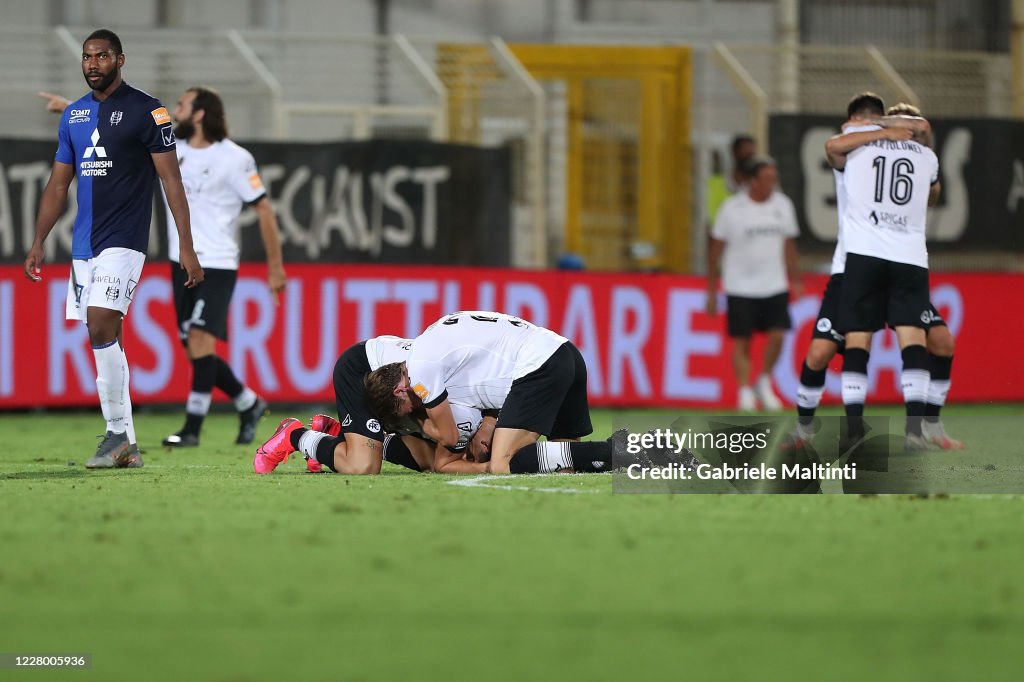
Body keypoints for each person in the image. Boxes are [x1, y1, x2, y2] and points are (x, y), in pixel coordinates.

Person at [23, 29, 203, 468]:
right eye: (87, 57)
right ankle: (127, 445)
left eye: (101, 56)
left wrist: (187, 245)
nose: (92, 64)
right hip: (83, 245)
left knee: (100, 323)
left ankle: (117, 434)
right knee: (105, 336)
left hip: (124, 241)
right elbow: (58, 184)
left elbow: (171, 181)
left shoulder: (149, 111)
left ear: (120, 60)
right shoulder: (75, 117)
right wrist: (39, 240)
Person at [795, 97, 963, 449]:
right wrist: (893, 129)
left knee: (939, 341)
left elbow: (930, 193)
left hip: (882, 260)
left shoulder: (877, 154)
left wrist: (903, 133)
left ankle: (924, 427)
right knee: (821, 353)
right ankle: (811, 431)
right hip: (852, 264)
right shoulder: (854, 150)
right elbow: (838, 142)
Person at [159, 87, 285, 448]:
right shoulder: (173, 150)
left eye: (181, 105)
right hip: (180, 261)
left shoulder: (236, 158)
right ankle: (249, 403)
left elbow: (263, 209)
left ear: (199, 114)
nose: (175, 109)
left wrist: (275, 267)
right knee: (196, 350)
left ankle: (192, 429)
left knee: (200, 341)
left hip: (217, 264)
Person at [363, 311, 617, 475]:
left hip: (538, 364)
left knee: (504, 462)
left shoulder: (420, 368)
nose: (418, 414)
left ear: (400, 390)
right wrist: (481, 458)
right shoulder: (446, 373)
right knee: (565, 465)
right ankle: (641, 449)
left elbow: (450, 437)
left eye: (409, 413)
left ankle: (622, 451)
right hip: (563, 351)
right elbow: (444, 462)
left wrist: (423, 424)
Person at [826, 94, 942, 450]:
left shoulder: (857, 150)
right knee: (913, 339)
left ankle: (855, 428)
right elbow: (931, 193)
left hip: (864, 253)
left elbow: (833, 145)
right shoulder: (928, 158)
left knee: (858, 338)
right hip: (908, 255)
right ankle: (914, 431)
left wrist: (878, 131)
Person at [254, 335, 492, 475]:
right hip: (365, 371)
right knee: (363, 466)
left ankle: (340, 438)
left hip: (403, 391)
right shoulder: (471, 394)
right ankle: (295, 435)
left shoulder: (482, 384)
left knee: (429, 461)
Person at [706, 155, 802, 411]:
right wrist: (713, 290)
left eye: (774, 178)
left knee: (778, 335)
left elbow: (789, 245)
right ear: (752, 181)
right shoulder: (732, 208)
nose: (772, 183)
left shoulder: (783, 205)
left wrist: (795, 279)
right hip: (739, 286)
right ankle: (744, 390)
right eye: (767, 178)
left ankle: (764, 380)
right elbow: (715, 249)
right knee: (742, 341)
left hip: (774, 284)